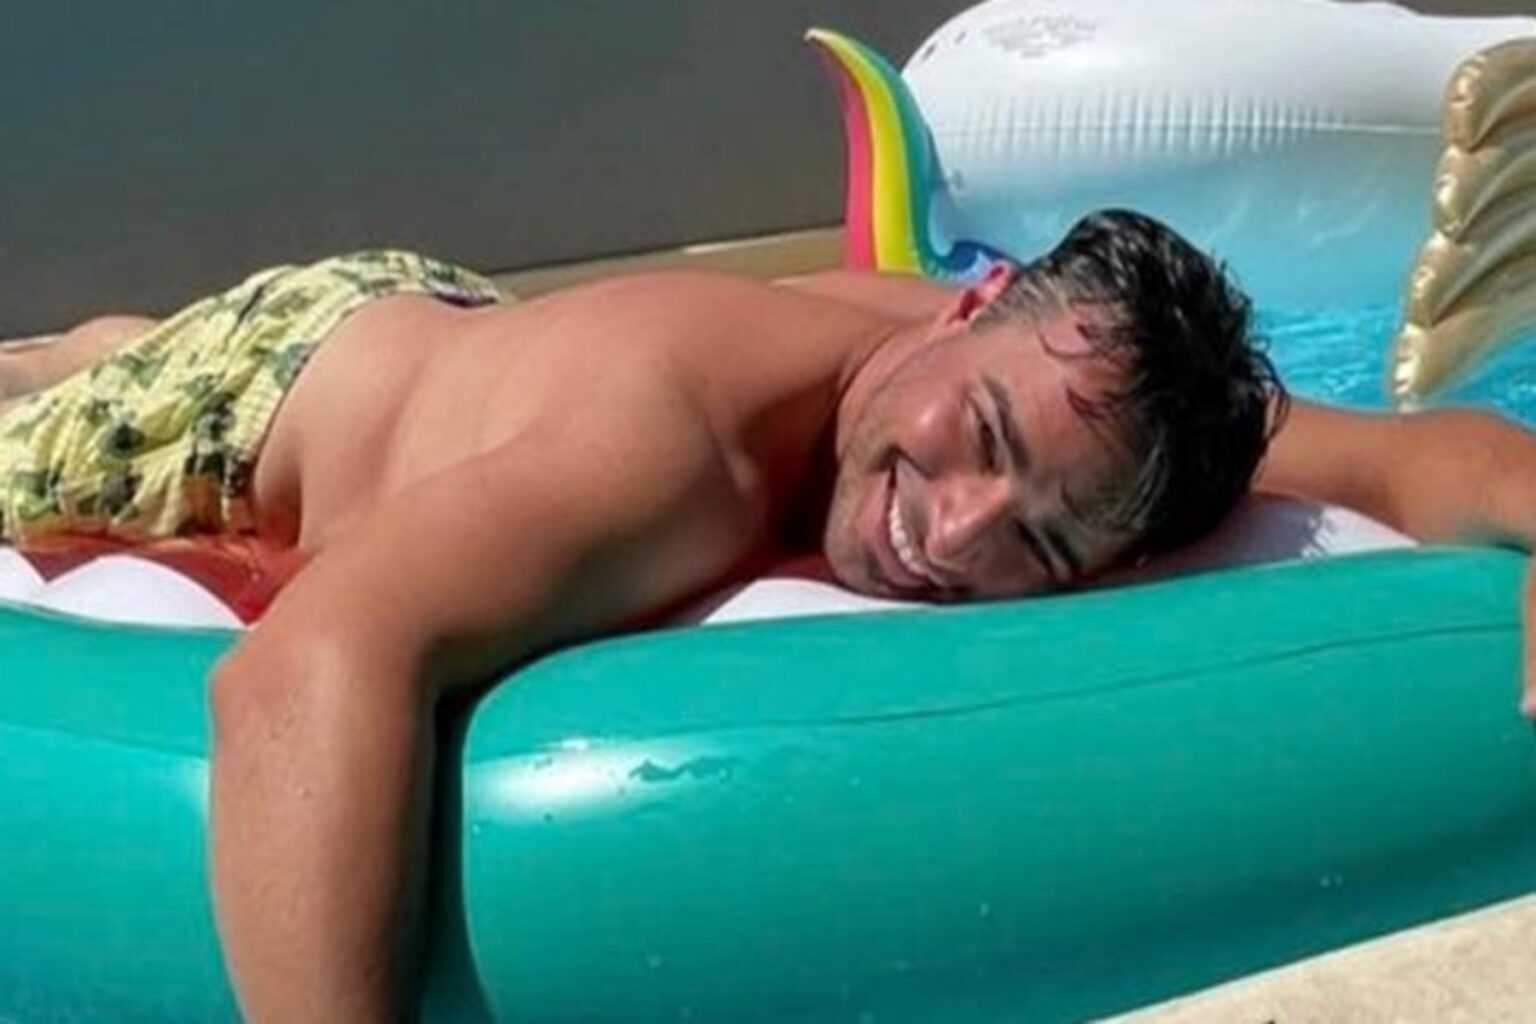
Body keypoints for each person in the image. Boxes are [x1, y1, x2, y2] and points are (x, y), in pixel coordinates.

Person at [1, 210, 1532, 1021]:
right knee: (48, 414)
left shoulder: (1075, 400)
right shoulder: (669, 462)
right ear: (962, 310)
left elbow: (1424, 454)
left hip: (461, 323)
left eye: (1043, 541)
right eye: (977, 441)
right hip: (262, 397)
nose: (952, 532)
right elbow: (306, 667)